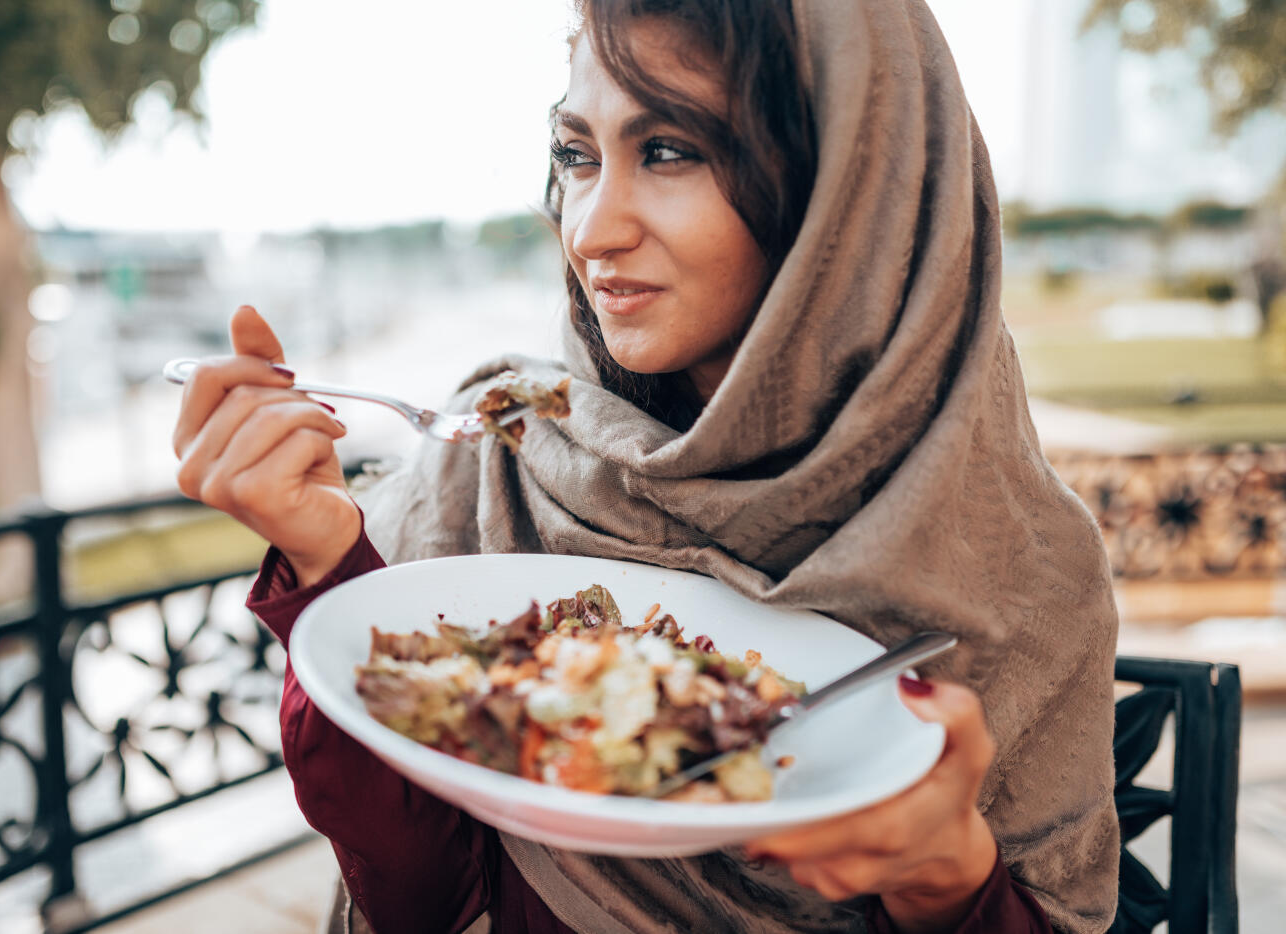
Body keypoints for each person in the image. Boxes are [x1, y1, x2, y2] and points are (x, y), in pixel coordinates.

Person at [170, 1, 1121, 931]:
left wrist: (947, 882)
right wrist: (329, 560)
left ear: (850, 190)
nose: (590, 231)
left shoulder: (1029, 573)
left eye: (668, 150)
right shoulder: (508, 454)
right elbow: (422, 902)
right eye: (578, 155)